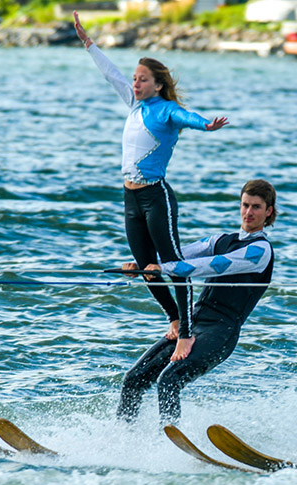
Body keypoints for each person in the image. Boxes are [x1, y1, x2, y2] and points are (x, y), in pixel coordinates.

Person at [75, 12, 229, 362]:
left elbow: (188, 118)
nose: (135, 84)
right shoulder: (133, 105)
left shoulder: (166, 110)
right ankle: (174, 317)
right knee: (146, 267)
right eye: (134, 79)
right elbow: (110, 74)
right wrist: (89, 44)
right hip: (130, 197)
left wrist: (206, 125)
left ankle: (187, 334)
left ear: (157, 84)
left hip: (156, 197)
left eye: (142, 79)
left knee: (173, 265)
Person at [117, 179, 276, 424]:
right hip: (192, 323)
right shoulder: (219, 240)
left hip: (220, 332)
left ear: (269, 212)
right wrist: (141, 265)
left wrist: (164, 268)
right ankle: (122, 438)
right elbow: (180, 254)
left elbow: (214, 265)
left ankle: (170, 442)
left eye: (256, 207)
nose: (249, 212)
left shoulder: (260, 251)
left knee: (169, 380)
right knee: (133, 378)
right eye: (245, 205)